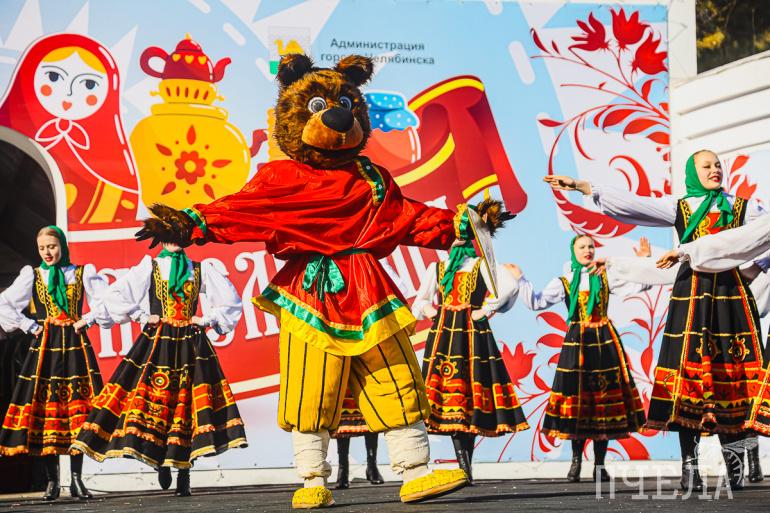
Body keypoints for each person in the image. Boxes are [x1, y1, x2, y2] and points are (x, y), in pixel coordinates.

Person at [545, 149, 767, 491]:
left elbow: (763, 235)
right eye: (706, 166)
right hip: (691, 298)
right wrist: (583, 186)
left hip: (730, 298)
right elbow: (637, 204)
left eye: (717, 165)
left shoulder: (742, 207)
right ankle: (690, 468)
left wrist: (756, 266)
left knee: (732, 377)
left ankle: (735, 466)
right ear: (693, 173)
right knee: (685, 381)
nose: (715, 170)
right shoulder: (681, 206)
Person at [71, 243, 246, 497]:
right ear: (161, 238)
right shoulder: (150, 266)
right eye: (168, 235)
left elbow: (230, 301)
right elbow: (116, 295)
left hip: (190, 343)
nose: (173, 241)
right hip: (159, 343)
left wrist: (206, 319)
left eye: (178, 234)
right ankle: (161, 460)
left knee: (187, 407)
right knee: (158, 402)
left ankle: (184, 473)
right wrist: (142, 316)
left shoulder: (199, 269)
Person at [509, 234, 646, 482]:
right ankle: (576, 462)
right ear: (573, 251)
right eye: (582, 247)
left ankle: (600, 466)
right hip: (578, 343)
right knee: (578, 403)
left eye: (591, 246)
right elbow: (535, 302)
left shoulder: (605, 276)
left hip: (604, 343)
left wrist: (642, 263)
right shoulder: (565, 281)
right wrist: (520, 279)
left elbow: (638, 286)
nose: (588, 250)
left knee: (602, 403)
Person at [0, 226, 112, 500]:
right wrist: (29, 326)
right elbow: (4, 303)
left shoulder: (81, 272)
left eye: (51, 246)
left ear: (62, 245)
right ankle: (52, 481)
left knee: (78, 411)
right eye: (42, 248)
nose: (47, 253)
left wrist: (87, 319)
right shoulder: (34, 275)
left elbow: (107, 301)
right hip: (46, 347)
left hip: (75, 347)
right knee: (46, 410)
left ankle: (76, 479)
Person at [411, 240, 528, 485]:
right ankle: (465, 466)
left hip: (472, 336)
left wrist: (484, 310)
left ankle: (466, 466)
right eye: (453, 237)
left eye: (461, 235)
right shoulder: (439, 267)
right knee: (450, 397)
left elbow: (509, 286)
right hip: (444, 336)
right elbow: (419, 302)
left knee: (470, 398)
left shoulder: (480, 265)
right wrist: (432, 311)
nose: (457, 241)